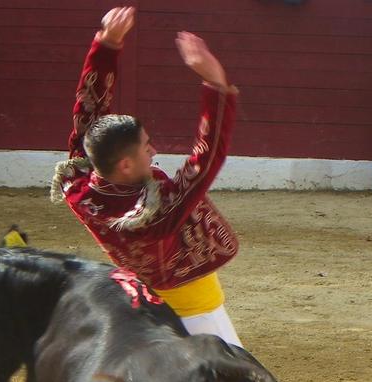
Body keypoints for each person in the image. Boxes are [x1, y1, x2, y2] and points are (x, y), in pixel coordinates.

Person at [50, 7, 243, 346]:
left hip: (139, 303)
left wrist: (106, 45)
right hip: (194, 306)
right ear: (125, 165)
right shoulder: (154, 211)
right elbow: (206, 159)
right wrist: (216, 85)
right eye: (146, 146)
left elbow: (89, 112)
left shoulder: (78, 185)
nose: (153, 151)